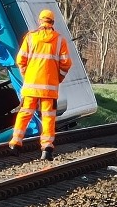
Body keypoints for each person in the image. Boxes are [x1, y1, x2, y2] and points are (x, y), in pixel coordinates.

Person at [8, 9, 71, 160]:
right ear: (52, 22)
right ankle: (47, 148)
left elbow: (20, 60)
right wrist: (58, 78)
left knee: (25, 114)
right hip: (49, 88)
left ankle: (15, 143)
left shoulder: (30, 38)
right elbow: (66, 64)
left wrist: (27, 76)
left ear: (40, 21)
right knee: (48, 117)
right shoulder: (60, 40)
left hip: (31, 85)